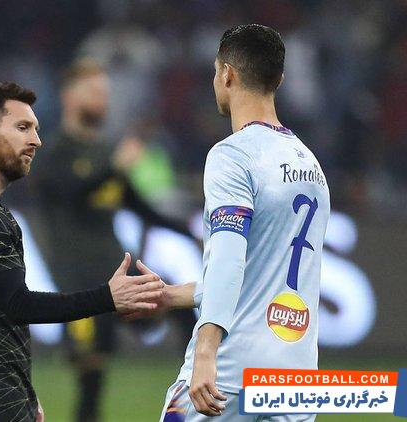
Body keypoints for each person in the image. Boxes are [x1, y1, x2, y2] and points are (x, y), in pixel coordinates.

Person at [0, 81, 165, 422]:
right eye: (23, 127)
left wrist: (22, 392)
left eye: (35, 129)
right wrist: (108, 297)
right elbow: (19, 305)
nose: (36, 140)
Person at [146, 24, 331, 421]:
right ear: (279, 80)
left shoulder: (233, 156)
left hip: (232, 371)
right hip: (296, 378)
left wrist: (206, 353)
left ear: (227, 74)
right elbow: (263, 277)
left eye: (216, 71)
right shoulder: (312, 168)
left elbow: (229, 260)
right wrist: (174, 296)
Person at [32, 58, 192, 422]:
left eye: (104, 93)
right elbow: (70, 193)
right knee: (91, 380)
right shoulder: (53, 152)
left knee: (181, 305)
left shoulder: (105, 151)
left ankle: (195, 392)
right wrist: (115, 167)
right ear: (69, 96)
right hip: (80, 287)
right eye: (93, 91)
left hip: (117, 271)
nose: (101, 100)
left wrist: (193, 229)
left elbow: (139, 206)